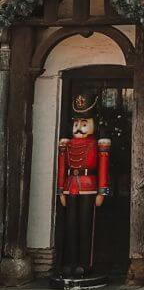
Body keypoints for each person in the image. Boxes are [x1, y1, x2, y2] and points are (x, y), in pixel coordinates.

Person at [56, 94, 110, 279]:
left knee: (87, 225)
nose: (79, 128)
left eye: (84, 123)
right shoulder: (66, 144)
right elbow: (62, 167)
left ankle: (85, 263)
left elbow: (103, 169)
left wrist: (103, 191)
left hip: (89, 186)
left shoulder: (98, 145)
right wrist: (60, 189)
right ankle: (69, 261)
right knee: (70, 225)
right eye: (77, 124)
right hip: (71, 186)